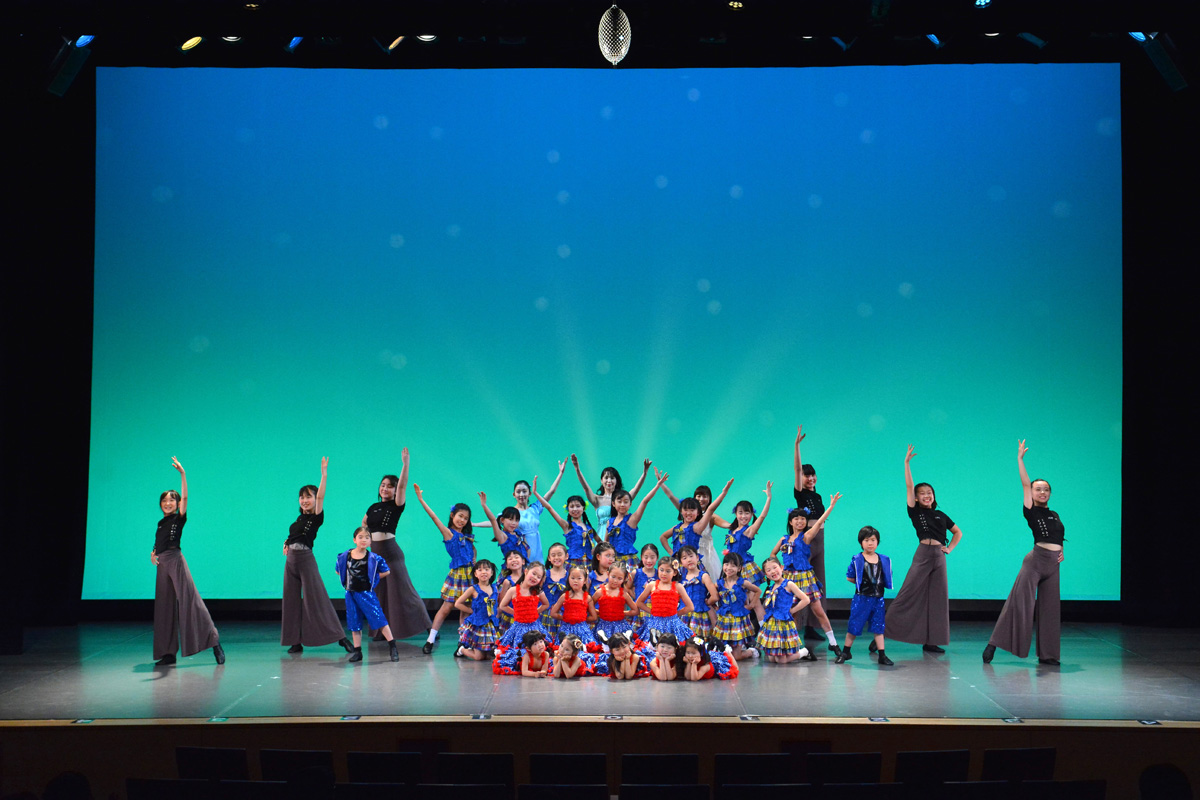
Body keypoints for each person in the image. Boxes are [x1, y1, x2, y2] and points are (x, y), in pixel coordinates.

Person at [983, 440, 1065, 666]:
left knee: (1050, 610)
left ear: (1050, 493)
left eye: (1046, 489)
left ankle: (1048, 655)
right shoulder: (1031, 510)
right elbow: (1025, 484)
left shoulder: (1055, 514)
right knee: (1019, 604)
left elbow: (1058, 536)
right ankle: (993, 644)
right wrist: (1020, 459)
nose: (1042, 492)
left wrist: (1062, 551)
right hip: (1035, 562)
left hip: (1053, 565)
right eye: (1038, 489)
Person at [882, 446, 963, 655]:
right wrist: (907, 463)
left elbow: (958, 532)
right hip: (923, 554)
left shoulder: (941, 515)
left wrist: (949, 549)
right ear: (916, 498)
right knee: (907, 594)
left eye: (929, 493)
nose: (927, 496)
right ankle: (881, 635)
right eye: (922, 493)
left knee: (937, 599)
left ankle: (931, 641)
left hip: (939, 557)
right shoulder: (915, 512)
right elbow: (909, 486)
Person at [150, 457, 224, 666]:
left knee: (190, 601)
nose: (168, 503)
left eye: (171, 500)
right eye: (164, 501)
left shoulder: (178, 518)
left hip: (175, 560)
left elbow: (185, 496)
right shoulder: (161, 523)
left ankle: (214, 641)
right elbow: (159, 542)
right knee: (164, 607)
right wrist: (153, 552)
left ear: (177, 504)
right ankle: (168, 653)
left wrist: (183, 474)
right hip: (162, 564)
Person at [281, 457, 353, 655]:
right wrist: (286, 543)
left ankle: (341, 638)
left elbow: (321, 498)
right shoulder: (299, 518)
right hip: (291, 562)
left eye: (309, 497)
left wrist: (324, 474)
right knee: (291, 600)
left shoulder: (316, 517)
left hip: (305, 559)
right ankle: (295, 641)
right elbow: (294, 535)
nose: (305, 500)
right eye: (301, 497)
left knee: (317, 598)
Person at [361, 448, 431, 641]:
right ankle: (380, 631)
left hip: (391, 554)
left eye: (390, 486)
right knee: (379, 594)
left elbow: (403, 487)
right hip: (375, 555)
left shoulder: (396, 505)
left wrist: (405, 464)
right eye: (383, 485)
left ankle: (428, 626)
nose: (385, 489)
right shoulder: (373, 507)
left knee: (405, 592)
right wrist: (364, 541)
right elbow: (364, 524)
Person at [769, 493, 844, 657]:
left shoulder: (807, 536)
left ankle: (833, 643)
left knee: (818, 610)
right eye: (796, 519)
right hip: (789, 579)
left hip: (805, 578)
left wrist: (831, 506)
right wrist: (779, 568)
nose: (800, 521)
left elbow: (819, 522)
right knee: (792, 613)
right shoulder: (784, 539)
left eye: (803, 519)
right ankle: (796, 647)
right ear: (790, 522)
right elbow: (773, 554)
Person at [412, 485, 475, 654]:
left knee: (465, 611)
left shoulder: (468, 536)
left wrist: (475, 560)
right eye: (460, 516)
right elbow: (434, 517)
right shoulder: (449, 533)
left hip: (470, 575)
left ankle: (462, 643)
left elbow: (472, 552)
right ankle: (430, 640)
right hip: (457, 575)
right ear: (452, 515)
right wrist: (421, 499)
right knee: (446, 608)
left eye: (466, 518)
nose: (462, 520)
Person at [335, 526, 400, 663]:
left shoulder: (374, 558)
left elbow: (386, 571)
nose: (364, 540)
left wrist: (373, 579)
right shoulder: (345, 556)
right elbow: (338, 570)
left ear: (370, 541)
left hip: (366, 594)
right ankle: (358, 652)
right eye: (360, 537)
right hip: (350, 594)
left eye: (367, 538)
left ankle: (392, 646)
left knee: (378, 618)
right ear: (354, 540)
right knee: (354, 622)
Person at [835, 526, 894, 666]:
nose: (870, 543)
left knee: (879, 626)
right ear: (861, 542)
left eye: (873, 540)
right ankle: (846, 652)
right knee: (854, 625)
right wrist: (862, 583)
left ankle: (882, 655)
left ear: (877, 542)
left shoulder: (884, 559)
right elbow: (850, 577)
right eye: (866, 540)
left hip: (878, 599)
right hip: (861, 598)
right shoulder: (857, 559)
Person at [793, 426, 827, 641]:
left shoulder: (818, 496)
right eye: (806, 476)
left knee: (818, 582)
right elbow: (797, 469)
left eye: (812, 475)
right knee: (803, 583)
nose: (810, 478)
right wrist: (797, 446)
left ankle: (813, 627)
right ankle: (796, 627)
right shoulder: (801, 494)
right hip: (807, 540)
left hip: (820, 540)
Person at [659, 478, 733, 574]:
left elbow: (711, 510)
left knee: (702, 579)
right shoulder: (678, 526)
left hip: (700, 556)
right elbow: (671, 496)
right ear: (681, 511)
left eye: (705, 496)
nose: (689, 513)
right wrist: (671, 552)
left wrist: (724, 493)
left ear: (697, 512)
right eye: (699, 496)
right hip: (680, 562)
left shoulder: (698, 526)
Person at [606, 471, 670, 573]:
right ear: (613, 503)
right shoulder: (610, 522)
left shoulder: (632, 519)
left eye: (626, 502)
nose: (622, 504)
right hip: (613, 561)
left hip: (629, 561)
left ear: (630, 504)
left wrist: (658, 485)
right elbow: (606, 543)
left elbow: (645, 501)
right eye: (619, 501)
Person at [569, 454, 651, 530]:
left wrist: (645, 473)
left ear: (616, 481)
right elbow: (586, 488)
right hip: (601, 537)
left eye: (612, 478)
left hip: (617, 535)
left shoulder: (621, 499)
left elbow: (636, 490)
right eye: (606, 478)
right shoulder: (596, 499)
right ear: (601, 480)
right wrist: (577, 469)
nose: (609, 481)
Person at [534, 480, 599, 573]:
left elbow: (601, 542)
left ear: (583, 508)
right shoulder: (567, 526)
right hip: (573, 564)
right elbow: (549, 507)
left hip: (589, 564)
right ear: (568, 509)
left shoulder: (589, 528)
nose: (575, 509)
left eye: (578, 506)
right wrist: (535, 493)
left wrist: (593, 551)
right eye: (572, 506)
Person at [755, 557, 812, 663]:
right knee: (772, 658)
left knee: (781, 660)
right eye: (769, 570)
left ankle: (803, 652)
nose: (773, 571)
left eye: (775, 567)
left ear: (781, 568)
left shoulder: (789, 584)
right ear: (766, 574)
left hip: (783, 623)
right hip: (772, 623)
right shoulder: (772, 587)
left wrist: (792, 610)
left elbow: (806, 599)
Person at [635, 557, 696, 643]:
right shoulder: (652, 585)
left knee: (673, 645)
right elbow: (639, 602)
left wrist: (675, 614)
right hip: (655, 623)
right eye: (661, 570)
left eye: (668, 571)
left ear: (674, 572)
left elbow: (690, 607)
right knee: (652, 645)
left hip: (673, 624)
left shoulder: (678, 586)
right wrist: (652, 612)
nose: (664, 574)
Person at [713, 553, 761, 660]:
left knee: (736, 656)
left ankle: (751, 651)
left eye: (733, 565)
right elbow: (710, 596)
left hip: (738, 620)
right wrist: (716, 608)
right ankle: (738, 648)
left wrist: (751, 605)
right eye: (726, 564)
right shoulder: (719, 584)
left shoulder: (743, 582)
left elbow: (758, 591)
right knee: (724, 653)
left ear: (739, 568)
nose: (729, 568)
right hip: (724, 621)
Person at [495, 561, 551, 648]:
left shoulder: (538, 592)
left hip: (535, 627)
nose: (535, 578)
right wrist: (516, 612)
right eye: (534, 574)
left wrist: (535, 612)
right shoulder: (513, 590)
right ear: (526, 571)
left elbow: (546, 604)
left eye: (538, 577)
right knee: (520, 650)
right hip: (519, 627)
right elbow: (502, 605)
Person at [452, 559, 499, 660]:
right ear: (475, 574)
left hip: (490, 624)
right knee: (478, 657)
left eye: (486, 569)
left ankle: (482, 651)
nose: (483, 572)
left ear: (491, 573)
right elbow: (458, 603)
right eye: (480, 570)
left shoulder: (495, 588)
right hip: (478, 625)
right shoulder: (473, 589)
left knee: (488, 656)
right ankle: (462, 650)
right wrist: (470, 611)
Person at [550, 565, 598, 647]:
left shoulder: (587, 598)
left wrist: (582, 619)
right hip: (566, 629)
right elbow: (553, 613)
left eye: (579, 578)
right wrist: (566, 618)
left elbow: (594, 617)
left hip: (582, 630)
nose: (575, 581)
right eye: (572, 578)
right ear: (568, 579)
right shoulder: (564, 596)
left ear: (585, 581)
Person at [676, 547, 719, 637]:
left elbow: (715, 596)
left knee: (698, 641)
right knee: (683, 640)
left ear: (697, 558)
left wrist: (707, 603)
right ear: (681, 563)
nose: (689, 560)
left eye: (691, 556)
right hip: (683, 615)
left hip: (699, 616)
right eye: (684, 558)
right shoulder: (681, 578)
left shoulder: (704, 576)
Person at [592, 564, 638, 644]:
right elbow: (589, 607)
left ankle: (627, 636)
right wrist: (600, 613)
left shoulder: (624, 594)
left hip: (620, 626)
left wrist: (621, 613)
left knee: (621, 644)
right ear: (608, 574)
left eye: (619, 578)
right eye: (613, 577)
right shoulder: (600, 592)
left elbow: (635, 610)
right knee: (603, 646)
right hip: (603, 625)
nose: (615, 581)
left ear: (624, 579)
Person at [541, 543, 570, 642]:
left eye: (559, 554)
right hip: (546, 614)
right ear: (549, 558)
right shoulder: (544, 575)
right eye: (553, 555)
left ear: (566, 556)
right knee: (546, 641)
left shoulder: (570, 576)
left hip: (563, 614)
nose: (556, 557)